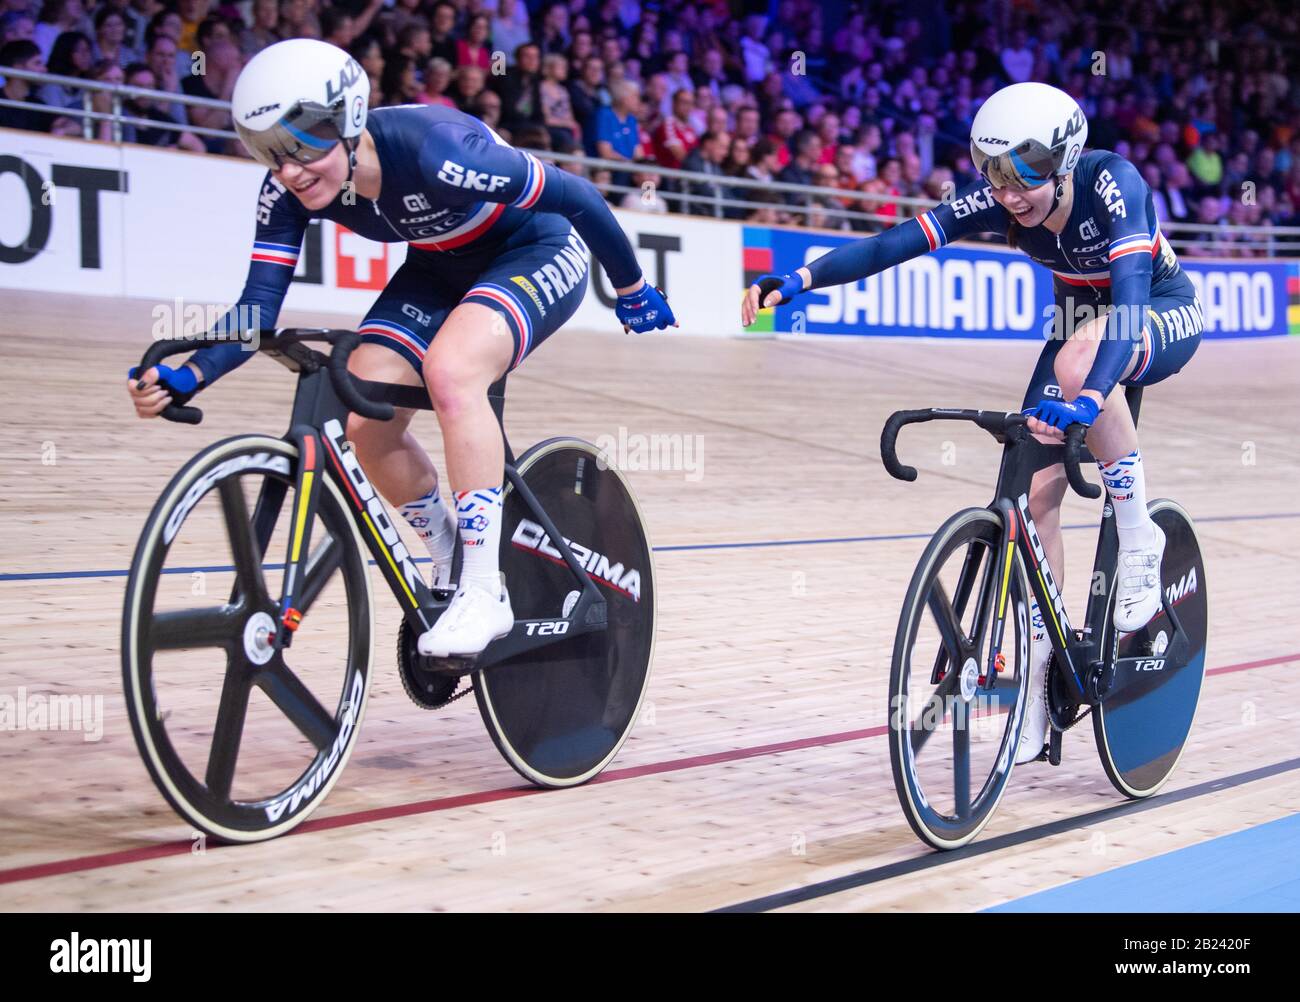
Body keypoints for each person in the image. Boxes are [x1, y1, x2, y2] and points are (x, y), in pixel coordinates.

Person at [127, 40, 676, 658]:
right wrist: (190, 374)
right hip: (438, 269)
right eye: (270, 154)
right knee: (363, 417)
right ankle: (445, 551)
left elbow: (574, 195)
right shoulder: (285, 193)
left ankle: (483, 589)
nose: (288, 171)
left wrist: (631, 286)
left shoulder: (435, 150)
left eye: (302, 148)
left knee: (451, 369)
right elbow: (256, 309)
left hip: (535, 250)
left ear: (349, 119)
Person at [742, 82, 1203, 764]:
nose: (1011, 192)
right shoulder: (995, 197)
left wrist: (1089, 397)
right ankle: (1040, 686)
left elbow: (1129, 303)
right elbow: (895, 244)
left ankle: (1140, 544)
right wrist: (801, 279)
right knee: (1032, 497)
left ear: (1067, 159)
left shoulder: (1115, 184)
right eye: (996, 173)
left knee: (1080, 366)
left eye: (1027, 174)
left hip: (1157, 312)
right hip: (1078, 327)